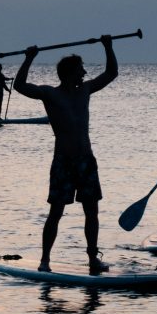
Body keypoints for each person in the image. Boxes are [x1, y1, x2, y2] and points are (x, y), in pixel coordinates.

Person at [14, 36, 117, 275]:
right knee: (56, 212)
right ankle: (45, 260)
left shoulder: (86, 90)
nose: (84, 73)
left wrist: (108, 47)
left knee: (91, 212)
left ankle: (93, 259)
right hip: (63, 162)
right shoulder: (51, 94)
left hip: (86, 161)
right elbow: (20, 86)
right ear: (70, 72)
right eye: (81, 69)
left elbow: (111, 73)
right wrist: (29, 59)